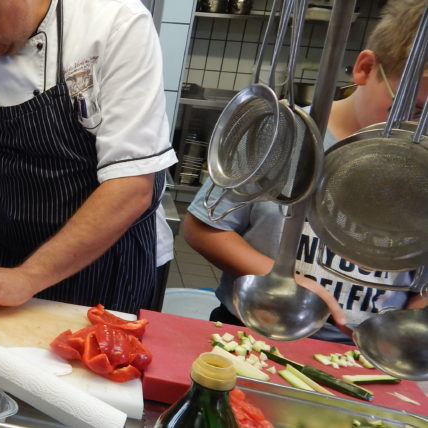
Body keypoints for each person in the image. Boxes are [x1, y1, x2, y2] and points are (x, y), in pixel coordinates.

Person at [183, 0, 428, 345]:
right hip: (253, 331)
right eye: (413, 110)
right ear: (366, 68)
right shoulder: (281, 137)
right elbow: (203, 228)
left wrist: (411, 323)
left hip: (366, 353)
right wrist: (281, 276)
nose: (415, 130)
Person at [0, 0, 178, 313]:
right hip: (1, 253)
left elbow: (131, 188)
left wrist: (29, 276)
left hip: (102, 264)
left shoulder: (116, 23)